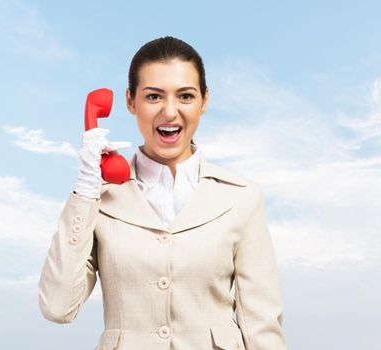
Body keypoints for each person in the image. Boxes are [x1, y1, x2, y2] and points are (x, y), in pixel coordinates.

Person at [38, 36, 287, 350]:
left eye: (185, 96)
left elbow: (262, 327)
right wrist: (85, 191)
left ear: (205, 101)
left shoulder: (241, 198)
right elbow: (57, 307)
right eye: (153, 97)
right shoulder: (98, 199)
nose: (170, 112)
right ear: (131, 102)